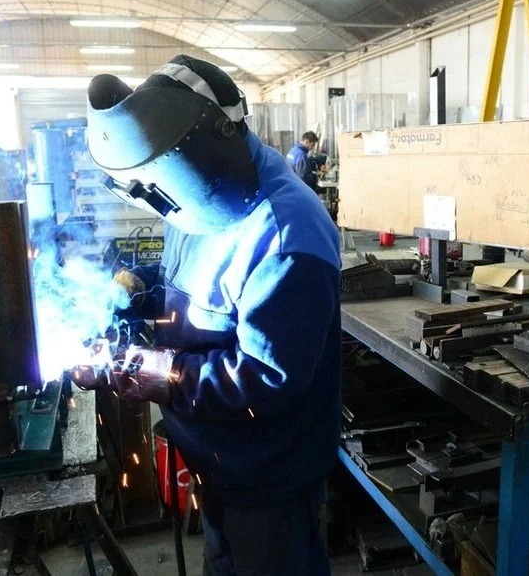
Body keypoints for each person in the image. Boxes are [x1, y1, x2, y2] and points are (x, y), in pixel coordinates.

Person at [82, 55, 341, 575]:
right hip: (214, 460)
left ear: (217, 137)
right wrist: (136, 289)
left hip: (268, 479)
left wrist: (151, 372)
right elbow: (184, 278)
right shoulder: (189, 193)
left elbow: (265, 379)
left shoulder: (287, 235)